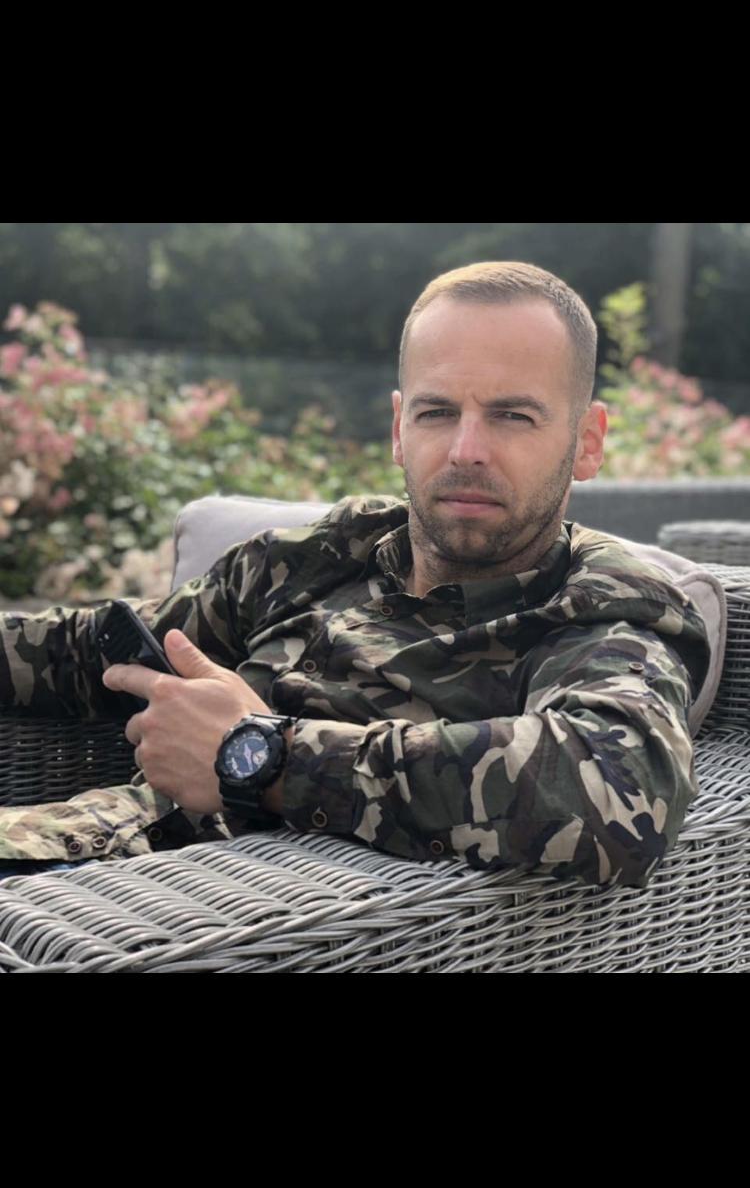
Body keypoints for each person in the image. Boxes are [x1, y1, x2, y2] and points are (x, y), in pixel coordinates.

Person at [0, 262, 710, 886]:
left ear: (586, 442)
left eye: (513, 416)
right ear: (399, 429)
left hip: (212, 921)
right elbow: (82, 653)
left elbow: (617, 791)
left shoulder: (600, 603)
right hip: (56, 857)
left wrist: (262, 755)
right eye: (437, 411)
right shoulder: (326, 552)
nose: (466, 449)